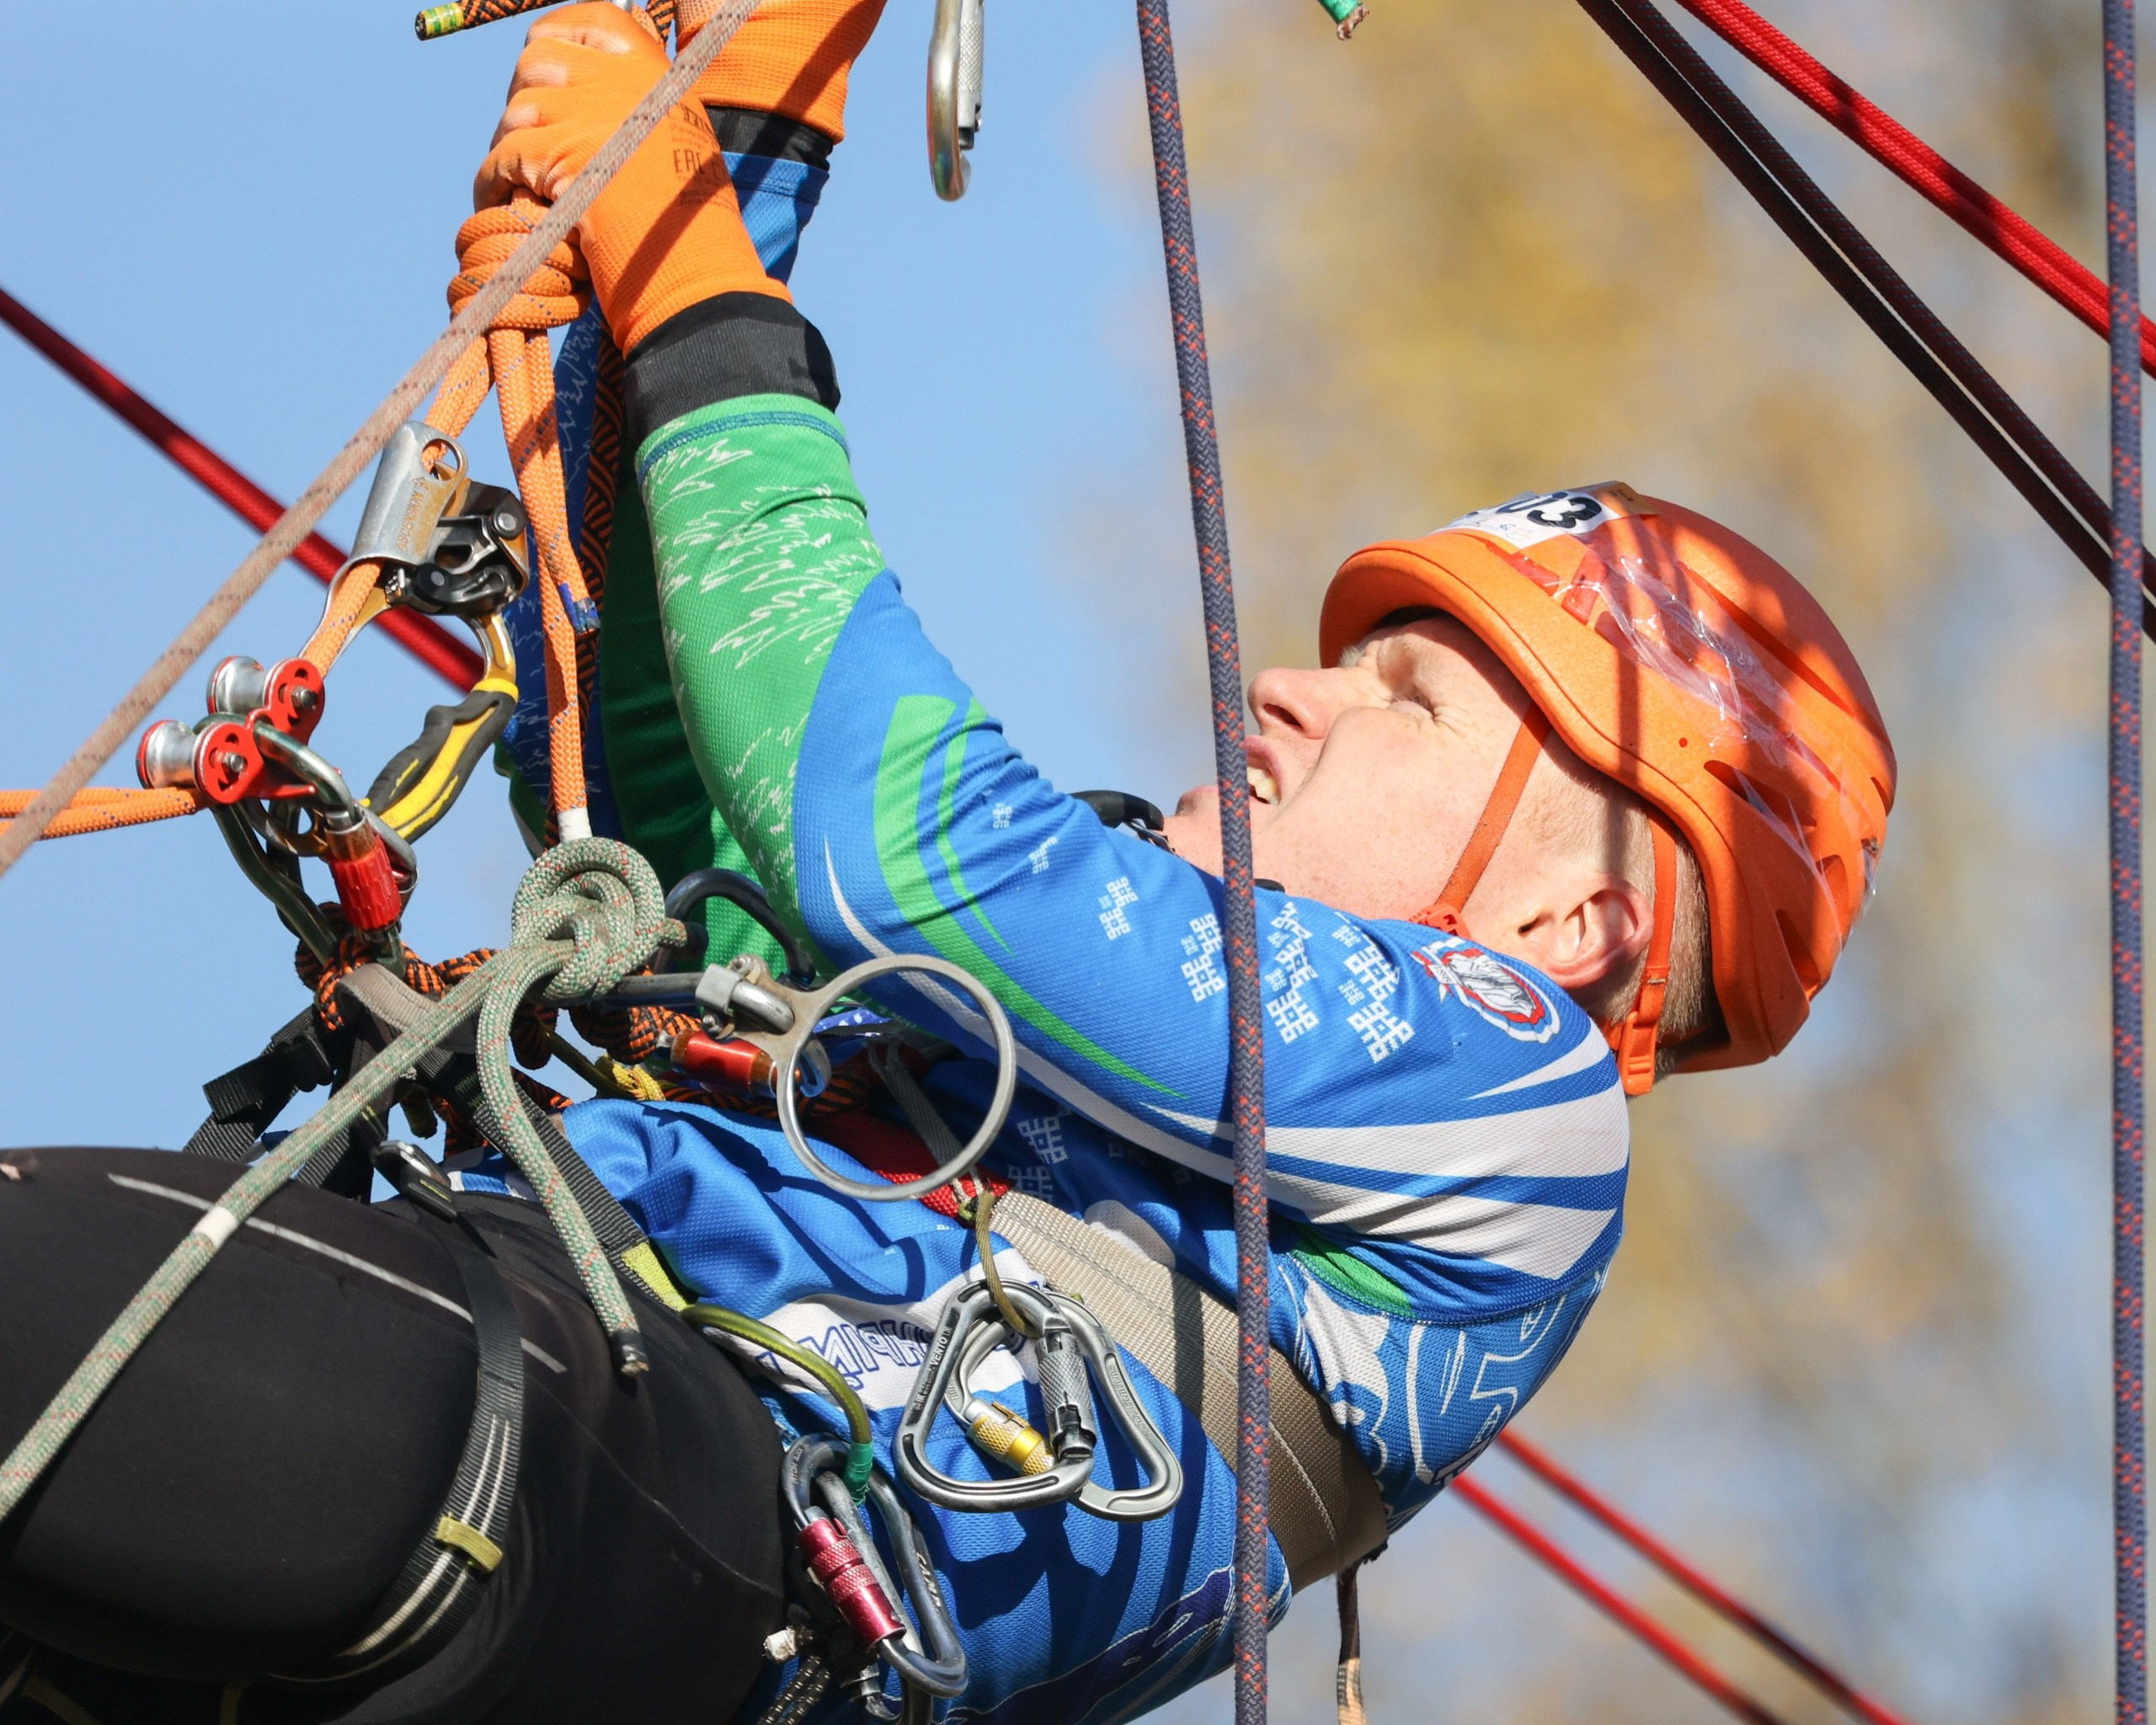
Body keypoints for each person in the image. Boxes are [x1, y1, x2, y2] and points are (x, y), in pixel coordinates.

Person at [0, 3, 1896, 1722]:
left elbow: (896, 847)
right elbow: (672, 773)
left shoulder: (1516, 1109)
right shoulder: (1099, 1021)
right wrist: (729, 142)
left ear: (1578, 917)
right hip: (552, 1428)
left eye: (1405, 698)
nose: (1289, 690)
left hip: (662, 1503)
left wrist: (702, 298)